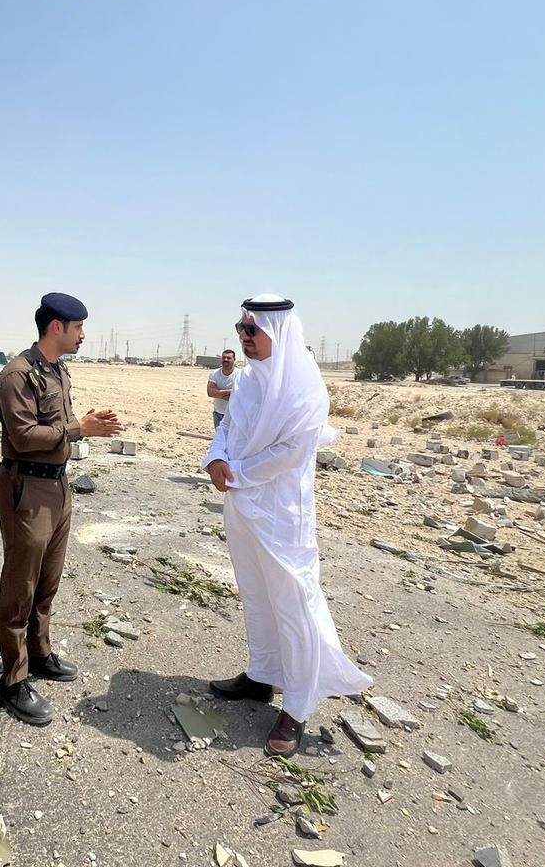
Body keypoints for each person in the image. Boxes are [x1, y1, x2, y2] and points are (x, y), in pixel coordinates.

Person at [202, 294, 372, 757]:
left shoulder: (307, 390)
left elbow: (289, 454)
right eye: (240, 328)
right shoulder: (251, 382)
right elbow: (228, 428)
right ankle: (261, 676)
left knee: (293, 607)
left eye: (251, 330)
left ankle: (297, 706)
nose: (242, 336)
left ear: (277, 332)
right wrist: (215, 457)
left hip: (281, 518)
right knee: (256, 597)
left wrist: (233, 472)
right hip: (242, 509)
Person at [0, 293, 122, 725]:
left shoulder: (57, 372)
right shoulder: (19, 374)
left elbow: (58, 430)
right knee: (21, 584)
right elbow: (25, 435)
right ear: (56, 327)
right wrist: (77, 427)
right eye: (78, 327)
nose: (83, 335)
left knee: (48, 580)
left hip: (57, 486)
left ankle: (40, 653)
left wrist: (85, 424)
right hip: (25, 486)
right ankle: (12, 681)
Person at [206, 349, 238, 429]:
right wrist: (232, 391)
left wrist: (218, 392)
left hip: (235, 415)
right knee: (220, 440)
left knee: (233, 440)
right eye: (224, 358)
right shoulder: (214, 374)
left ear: (234, 359)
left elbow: (241, 395)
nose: (225, 360)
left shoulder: (240, 375)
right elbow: (210, 393)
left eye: (228, 358)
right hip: (218, 414)